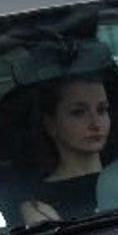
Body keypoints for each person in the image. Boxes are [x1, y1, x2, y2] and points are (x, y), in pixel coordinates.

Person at [20, 75, 109, 226]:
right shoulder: (39, 205)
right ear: (51, 124)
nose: (95, 123)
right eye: (79, 112)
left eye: (102, 110)